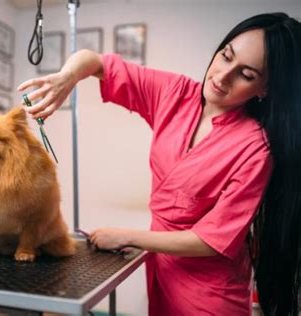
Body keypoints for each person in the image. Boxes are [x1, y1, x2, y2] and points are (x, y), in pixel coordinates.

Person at [17, 12, 301, 315]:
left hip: (211, 288)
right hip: (162, 272)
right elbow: (95, 62)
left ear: (265, 89)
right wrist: (66, 78)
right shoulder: (175, 93)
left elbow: (212, 240)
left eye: (246, 74)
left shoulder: (256, 148)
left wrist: (129, 236)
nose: (222, 76)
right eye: (226, 56)